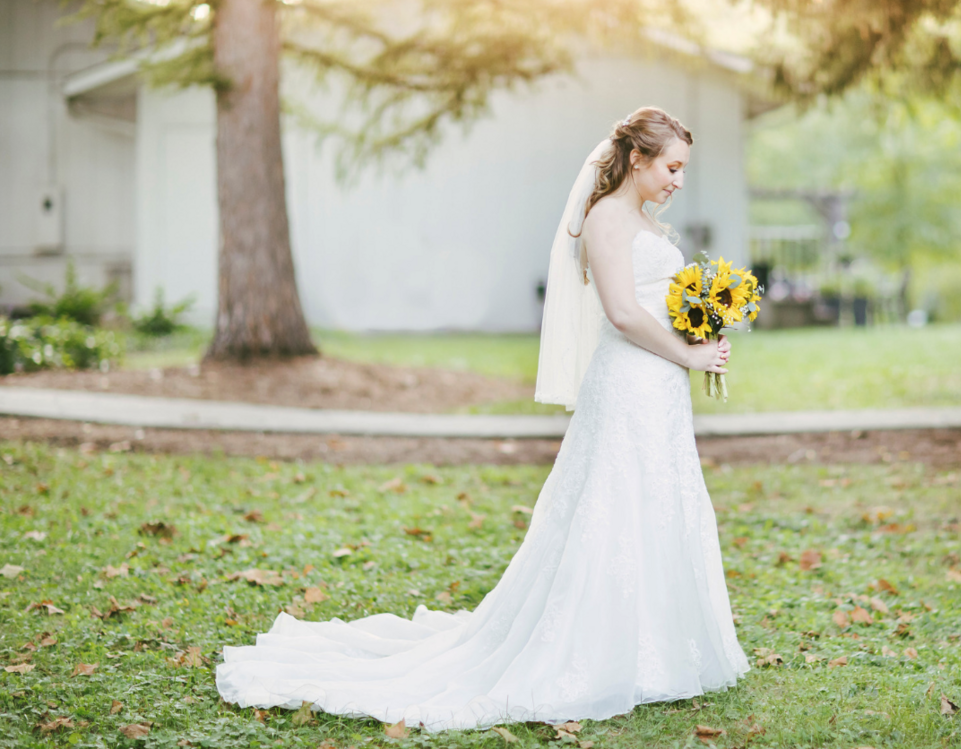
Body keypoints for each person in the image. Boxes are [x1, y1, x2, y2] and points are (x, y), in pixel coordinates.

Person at [214, 106, 749, 732]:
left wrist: (702, 324)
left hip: (659, 387)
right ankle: (605, 650)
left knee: (661, 499)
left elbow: (656, 303)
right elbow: (625, 316)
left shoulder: (645, 221)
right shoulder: (605, 219)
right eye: (673, 167)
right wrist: (687, 350)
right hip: (629, 383)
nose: (679, 181)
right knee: (617, 503)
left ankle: (663, 647)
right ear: (639, 160)